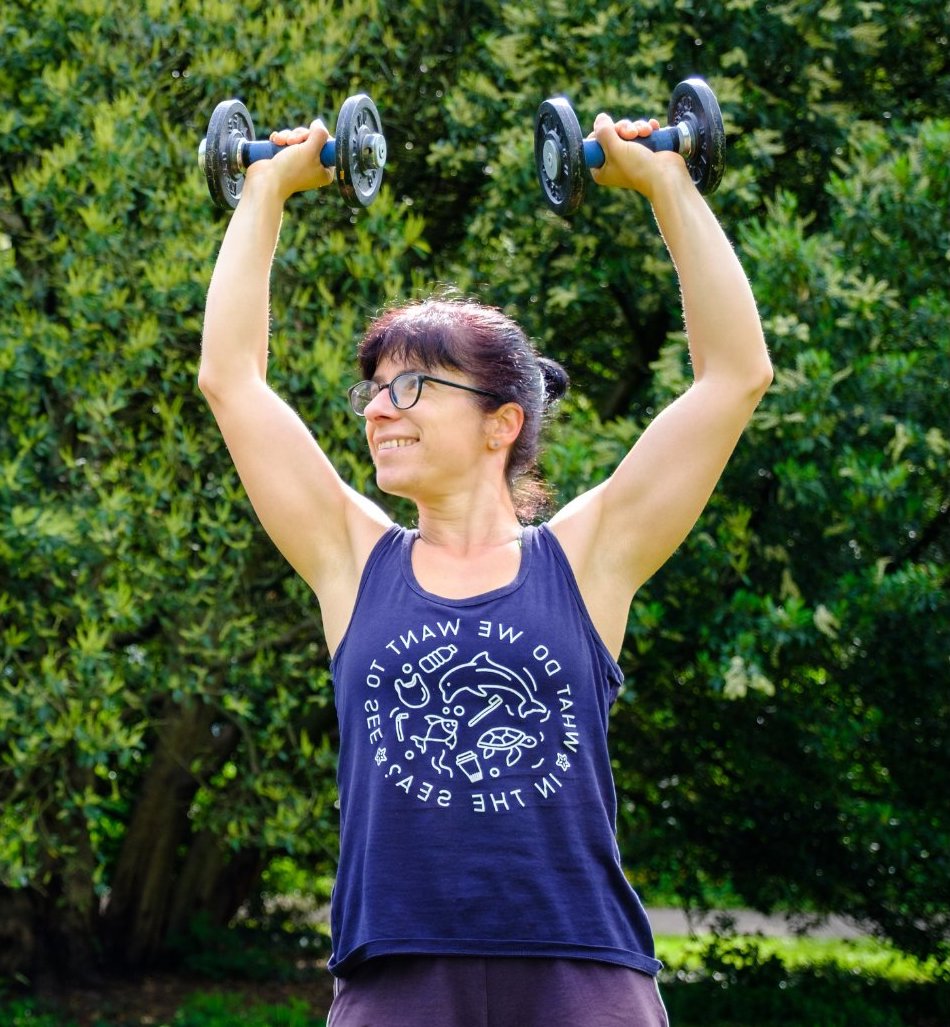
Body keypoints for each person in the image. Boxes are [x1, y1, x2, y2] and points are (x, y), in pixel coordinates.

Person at [199, 106, 772, 1026]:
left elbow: (734, 375)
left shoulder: (589, 558)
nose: (381, 409)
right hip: (397, 975)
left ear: (503, 422)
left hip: (580, 968)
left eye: (414, 384)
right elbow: (231, 377)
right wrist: (263, 189)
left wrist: (668, 182)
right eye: (375, 387)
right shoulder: (352, 559)